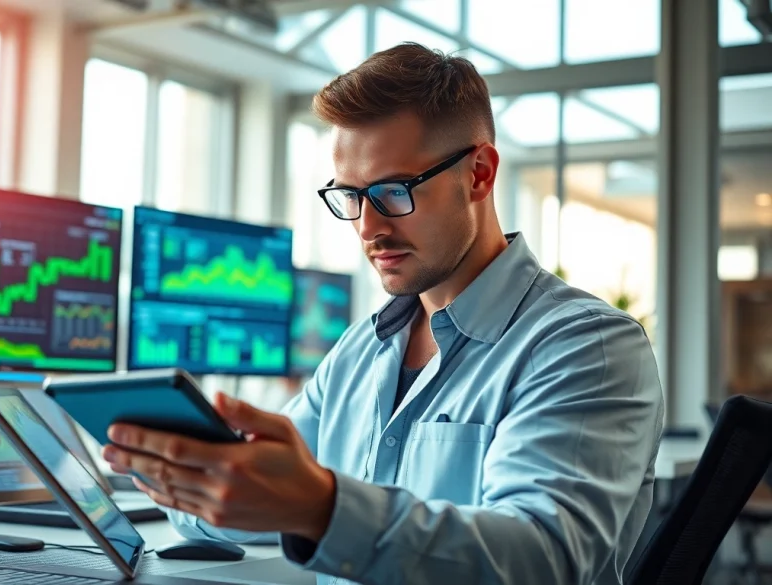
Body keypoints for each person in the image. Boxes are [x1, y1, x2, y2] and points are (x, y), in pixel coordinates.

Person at [101, 43, 665, 585]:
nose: (369, 227)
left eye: (393, 191)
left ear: (480, 174)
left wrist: (322, 507)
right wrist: (185, 471)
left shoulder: (587, 346)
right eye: (350, 196)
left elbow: (540, 559)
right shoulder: (360, 350)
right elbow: (268, 499)